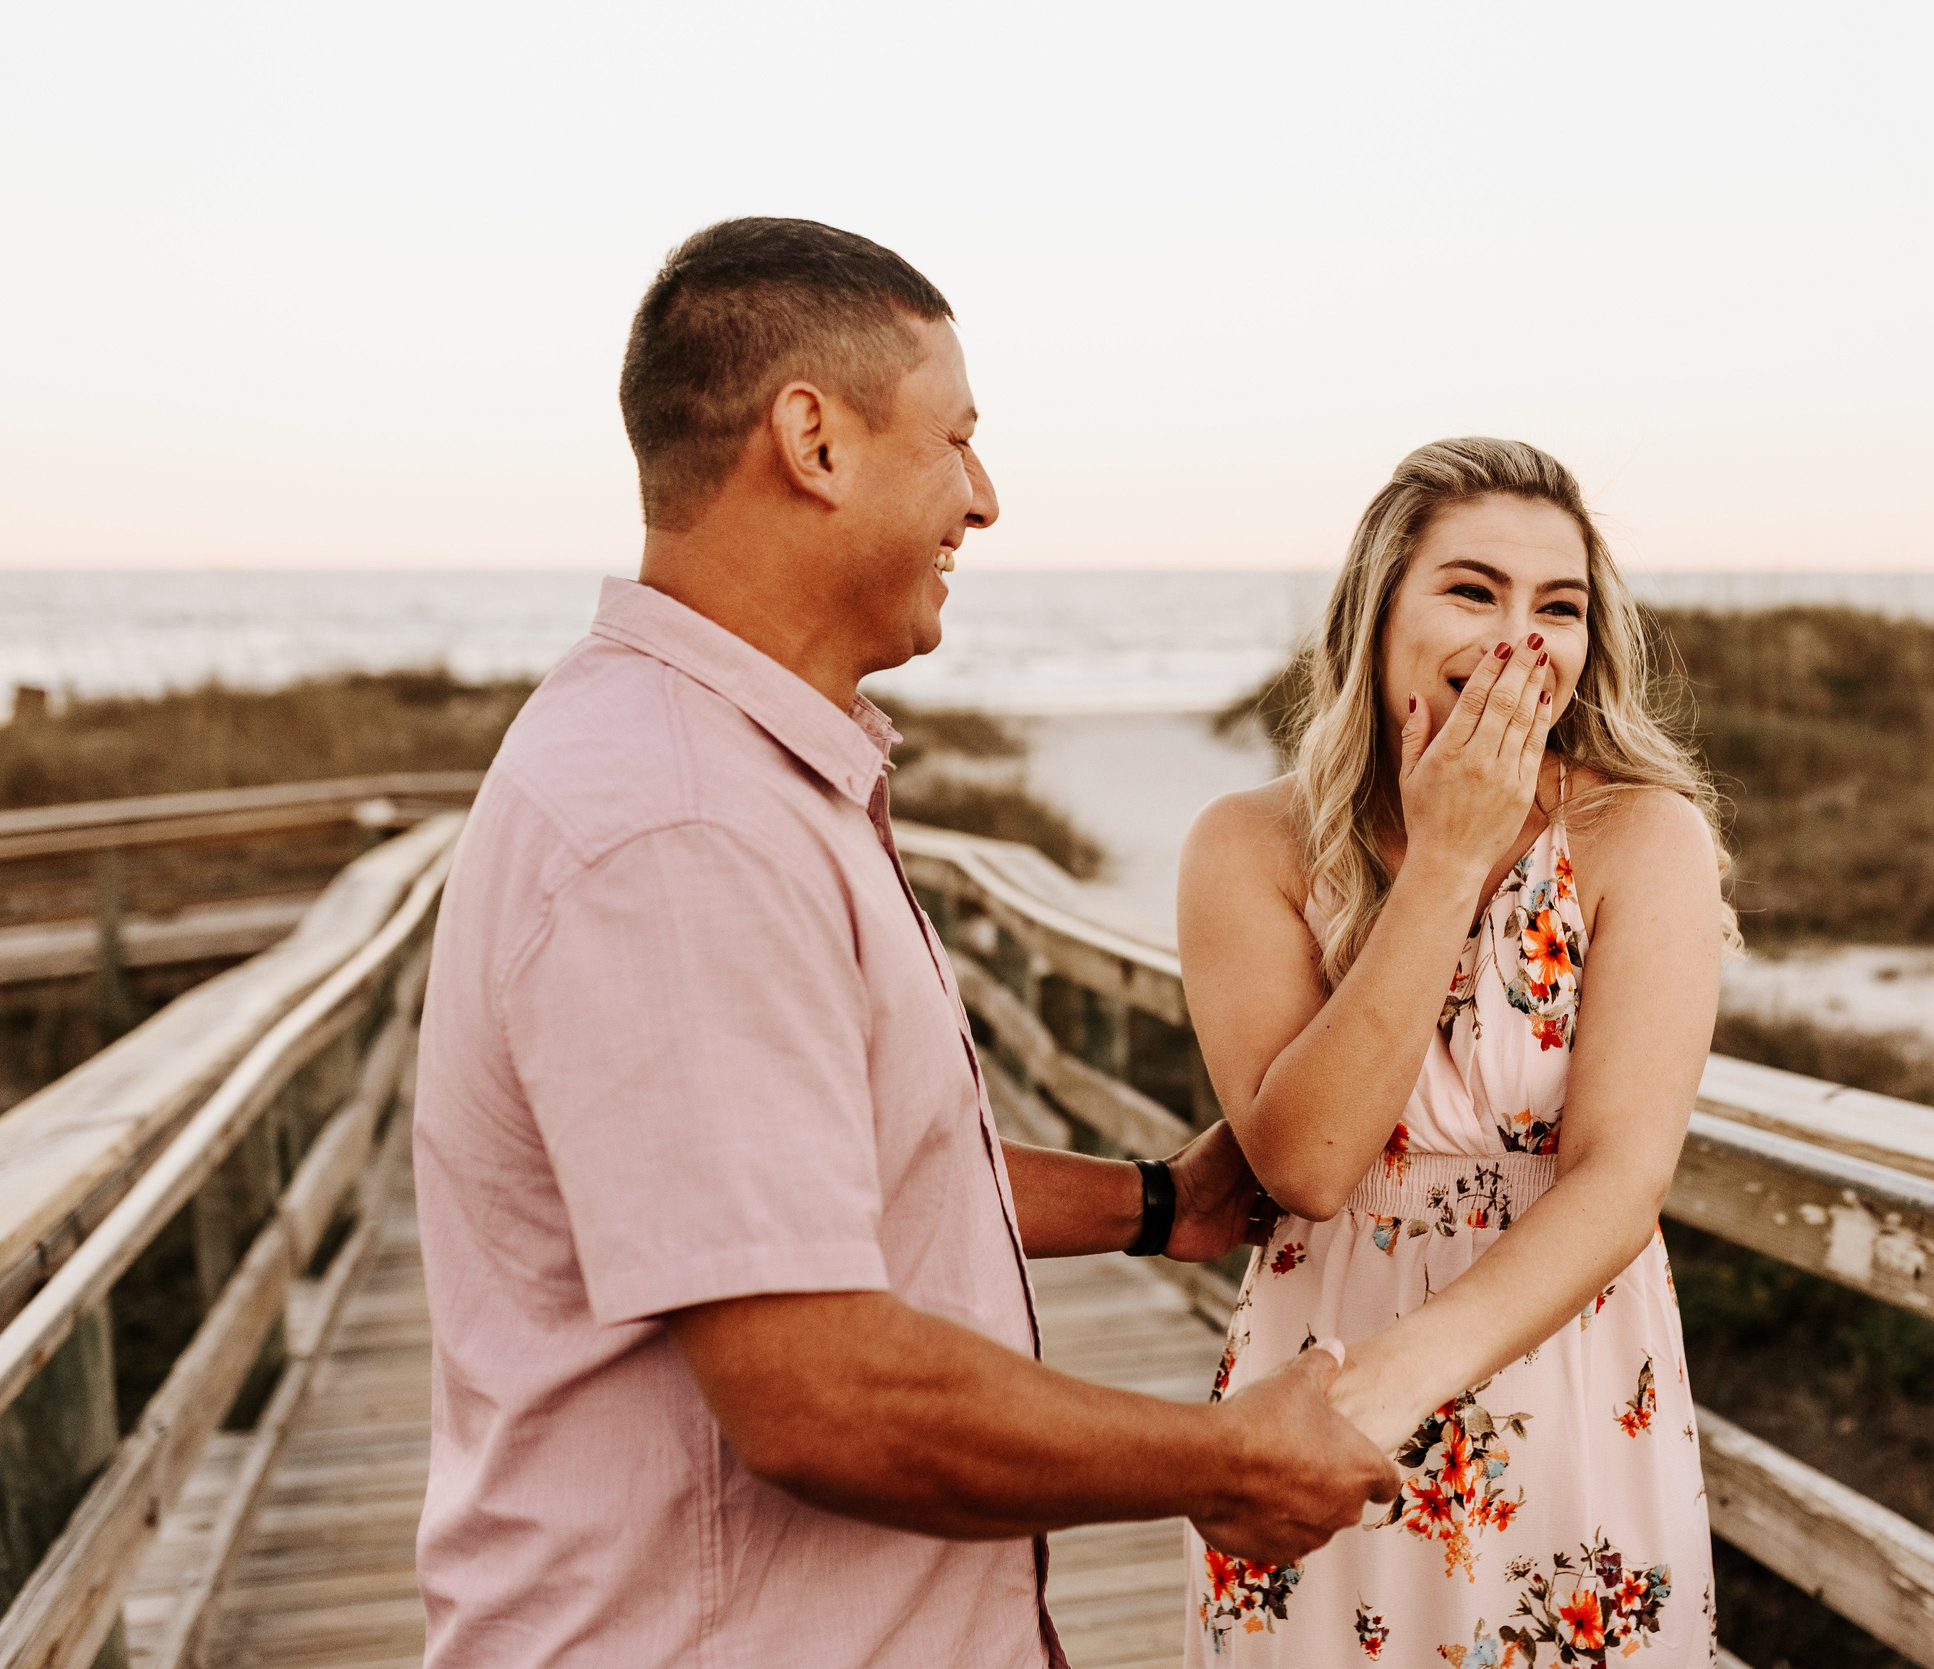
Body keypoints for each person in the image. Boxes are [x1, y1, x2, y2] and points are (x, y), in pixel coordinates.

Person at [410, 217, 1396, 1669]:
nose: (983, 499)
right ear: (812, 439)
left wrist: (1153, 1206)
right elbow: (817, 1391)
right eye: (955, 439)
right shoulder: (680, 825)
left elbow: (820, 1172)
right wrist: (1224, 1458)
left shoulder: (720, 770)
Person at [1176, 438, 1736, 1665]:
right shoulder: (1249, 846)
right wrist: (1440, 859)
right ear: (1379, 612)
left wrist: (1391, 1388)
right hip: (1312, 1373)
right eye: (1473, 590)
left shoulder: (1644, 837)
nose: (1521, 638)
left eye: (1561, 606)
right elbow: (1309, 1163)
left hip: (1565, 1385)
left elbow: (1621, 1177)